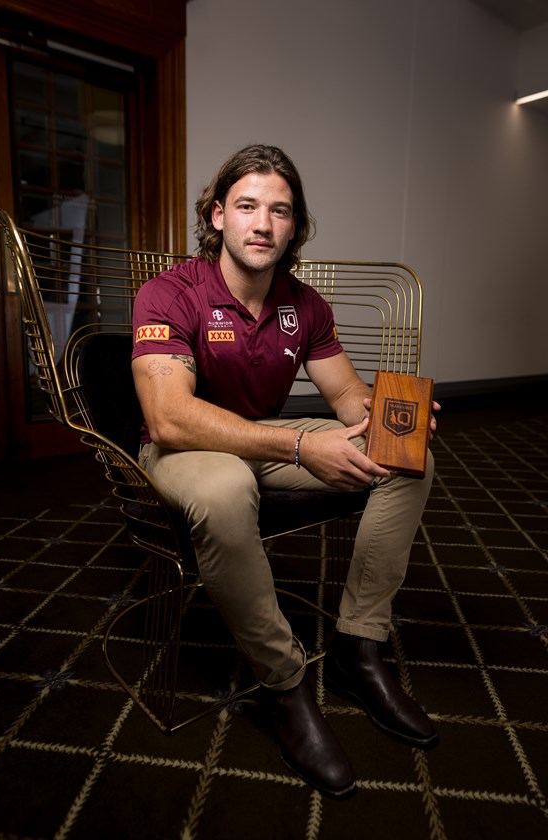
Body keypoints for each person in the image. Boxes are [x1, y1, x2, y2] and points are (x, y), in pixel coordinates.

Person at [131, 144, 439, 799]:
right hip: (185, 450)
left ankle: (359, 647)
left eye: (280, 210)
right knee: (223, 485)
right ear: (217, 217)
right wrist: (301, 450)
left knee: (408, 463)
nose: (262, 223)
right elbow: (168, 419)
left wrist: (393, 418)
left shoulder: (306, 305)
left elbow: (348, 397)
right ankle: (284, 683)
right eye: (246, 206)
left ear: (296, 227)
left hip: (264, 443)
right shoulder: (170, 293)